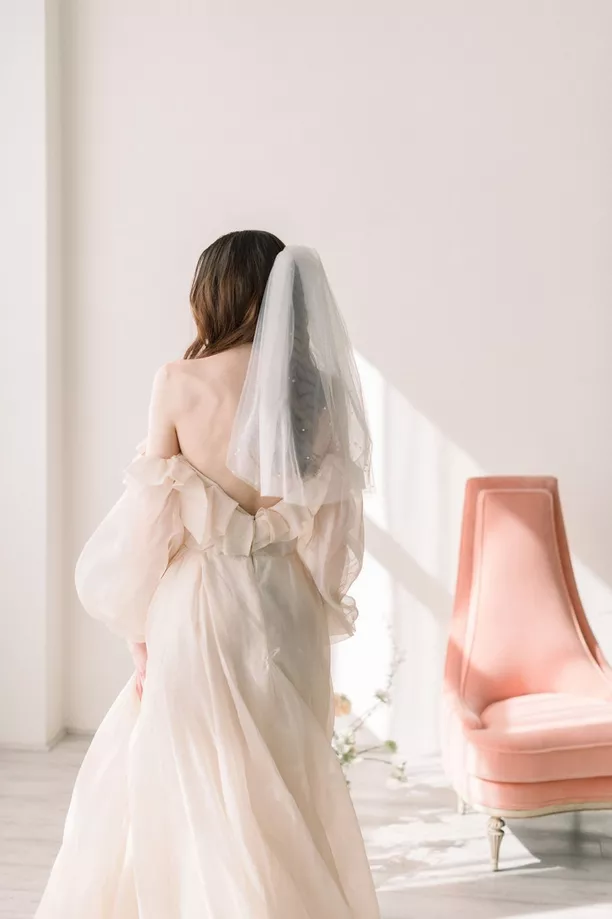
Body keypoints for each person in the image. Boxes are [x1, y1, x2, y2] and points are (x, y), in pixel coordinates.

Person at [35, 230, 379, 919]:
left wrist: (139, 628)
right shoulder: (320, 389)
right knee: (284, 784)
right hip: (286, 607)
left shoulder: (179, 382)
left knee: (189, 776)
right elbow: (334, 525)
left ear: (215, 293)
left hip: (198, 606)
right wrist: (310, 596)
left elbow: (150, 518)